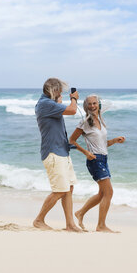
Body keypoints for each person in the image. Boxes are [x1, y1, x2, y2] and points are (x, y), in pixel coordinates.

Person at [69, 94, 125, 232]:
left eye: (95, 103)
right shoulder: (85, 122)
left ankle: (80, 213)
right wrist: (86, 152)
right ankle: (101, 226)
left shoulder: (100, 120)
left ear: (98, 105)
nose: (92, 106)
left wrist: (115, 141)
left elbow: (102, 145)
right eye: (90, 104)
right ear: (86, 107)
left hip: (104, 159)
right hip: (95, 160)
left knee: (102, 193)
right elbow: (71, 140)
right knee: (109, 192)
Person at [33, 78, 82, 232]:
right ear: (53, 90)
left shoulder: (50, 104)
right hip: (53, 153)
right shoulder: (45, 104)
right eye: (59, 90)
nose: (61, 93)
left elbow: (64, 110)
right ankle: (39, 220)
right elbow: (73, 110)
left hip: (62, 151)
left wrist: (60, 101)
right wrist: (73, 99)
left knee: (69, 188)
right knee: (60, 190)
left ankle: (70, 224)